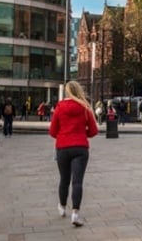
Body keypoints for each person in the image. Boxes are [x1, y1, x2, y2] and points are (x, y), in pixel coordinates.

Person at [49, 80, 98, 227]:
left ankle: (62, 208)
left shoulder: (59, 108)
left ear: (67, 92)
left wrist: (64, 134)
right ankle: (75, 213)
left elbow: (52, 131)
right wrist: (82, 134)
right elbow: (94, 131)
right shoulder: (84, 107)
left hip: (63, 147)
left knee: (64, 179)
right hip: (80, 147)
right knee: (77, 182)